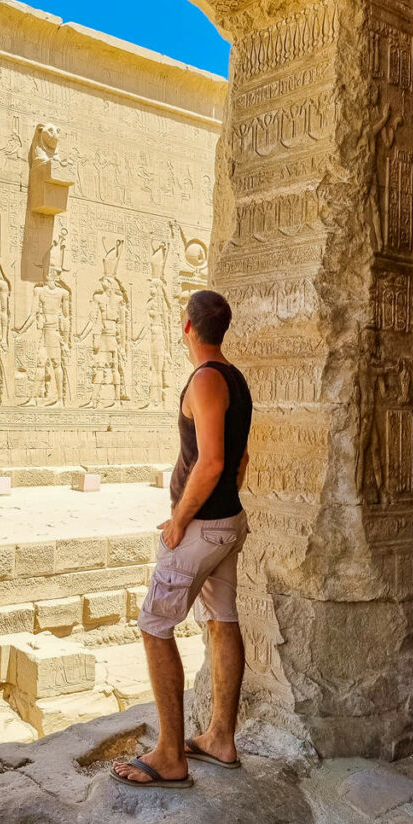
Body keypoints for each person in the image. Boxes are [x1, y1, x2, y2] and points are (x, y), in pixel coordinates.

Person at [112, 290, 252, 789]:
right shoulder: (234, 378)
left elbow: (212, 461)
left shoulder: (207, 379)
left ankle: (170, 755)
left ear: (187, 327)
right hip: (225, 523)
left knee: (154, 625)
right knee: (221, 621)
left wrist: (179, 521)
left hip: (202, 529)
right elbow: (239, 463)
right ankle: (220, 738)